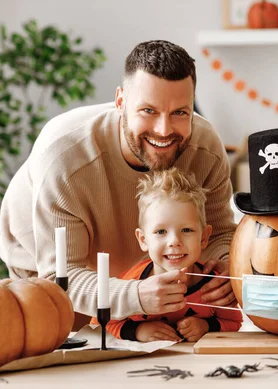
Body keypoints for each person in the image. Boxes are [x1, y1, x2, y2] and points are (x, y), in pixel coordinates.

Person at [0, 40, 237, 322]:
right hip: (44, 266)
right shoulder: (64, 157)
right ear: (121, 102)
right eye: (148, 111)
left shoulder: (206, 148)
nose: (163, 130)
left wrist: (224, 270)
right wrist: (133, 296)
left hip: (144, 269)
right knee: (66, 334)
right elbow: (61, 278)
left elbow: (220, 233)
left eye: (179, 113)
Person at [91, 168, 242, 342]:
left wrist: (207, 327)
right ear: (143, 239)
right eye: (161, 231)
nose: (174, 241)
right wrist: (137, 331)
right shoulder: (132, 282)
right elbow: (99, 323)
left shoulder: (214, 285)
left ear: (204, 237)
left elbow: (234, 322)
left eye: (186, 230)